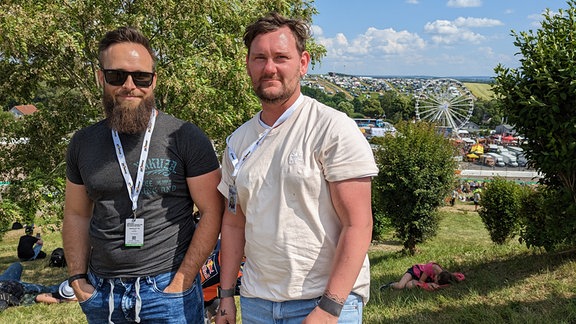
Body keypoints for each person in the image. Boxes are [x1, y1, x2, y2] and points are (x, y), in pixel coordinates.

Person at [216, 12, 378, 324]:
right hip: (256, 303)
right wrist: (225, 298)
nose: (269, 68)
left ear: (302, 63)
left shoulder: (333, 128)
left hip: (322, 302)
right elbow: (234, 224)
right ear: (248, 64)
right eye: (259, 58)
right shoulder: (237, 142)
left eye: (281, 57)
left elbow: (358, 224)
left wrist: (330, 308)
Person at [62, 26, 223, 323]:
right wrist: (77, 279)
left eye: (141, 77)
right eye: (116, 76)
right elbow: (75, 214)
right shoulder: (83, 143)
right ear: (100, 77)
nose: (129, 85)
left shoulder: (186, 136)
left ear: (154, 81)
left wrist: (183, 280)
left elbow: (213, 211)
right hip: (101, 293)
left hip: (167, 292)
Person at [379, 262, 464, 291]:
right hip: (414, 272)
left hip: (420, 278)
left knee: (408, 286)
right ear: (437, 275)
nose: (435, 282)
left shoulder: (445, 276)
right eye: (436, 280)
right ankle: (389, 285)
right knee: (400, 286)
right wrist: (431, 284)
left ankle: (408, 284)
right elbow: (421, 282)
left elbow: (459, 277)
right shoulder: (431, 268)